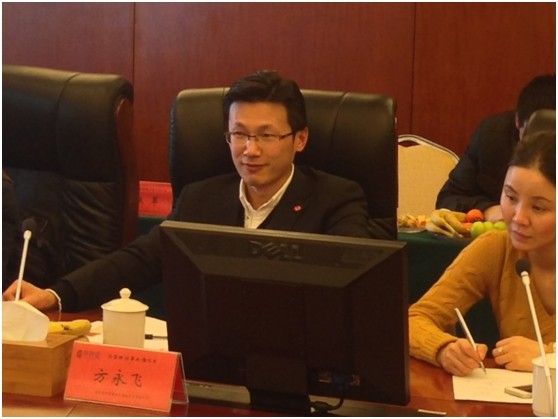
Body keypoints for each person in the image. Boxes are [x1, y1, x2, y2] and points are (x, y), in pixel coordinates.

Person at [3, 69, 391, 313]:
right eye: (239, 134)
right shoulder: (202, 198)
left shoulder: (336, 199)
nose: (250, 150)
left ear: (300, 139)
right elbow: (139, 260)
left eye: (266, 136)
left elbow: (355, 285)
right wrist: (55, 295)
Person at [410, 130, 556, 376]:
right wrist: (445, 349)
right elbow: (416, 319)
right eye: (510, 197)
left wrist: (548, 356)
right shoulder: (497, 247)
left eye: (538, 207)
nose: (518, 218)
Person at [436, 74, 555, 222]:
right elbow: (448, 199)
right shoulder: (491, 136)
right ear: (517, 122)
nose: (542, 149)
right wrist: (487, 209)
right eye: (534, 137)